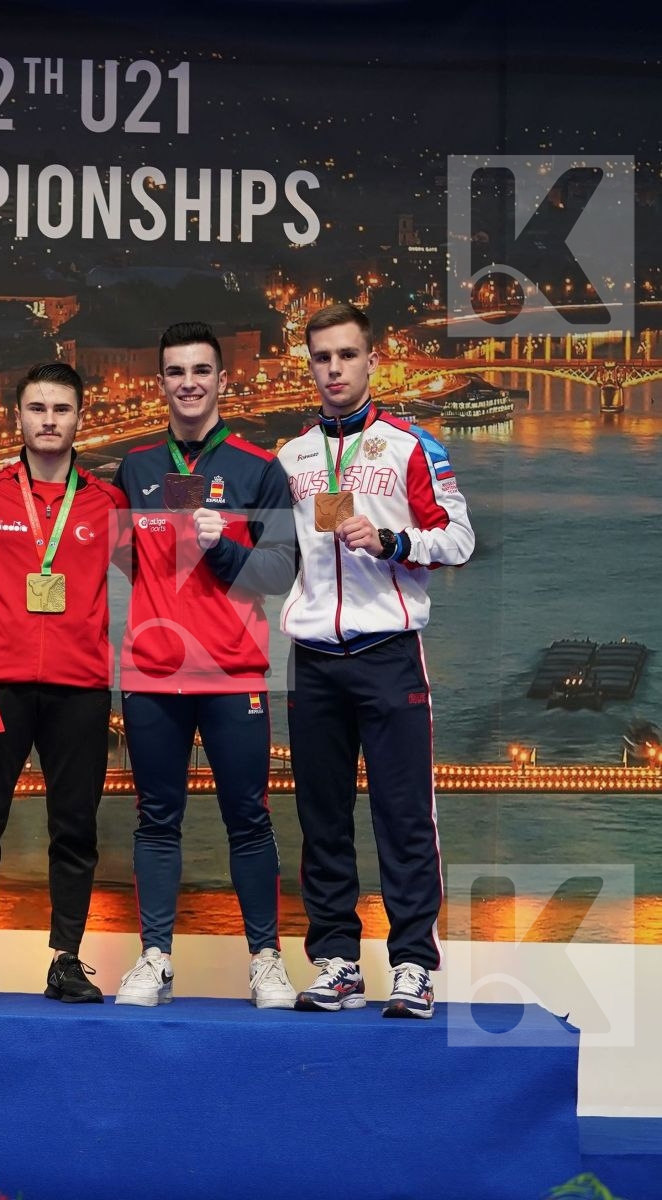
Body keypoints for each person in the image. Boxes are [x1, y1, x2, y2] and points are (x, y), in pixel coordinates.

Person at [277, 302, 475, 1018]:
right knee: (321, 815)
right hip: (314, 658)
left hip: (389, 652)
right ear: (312, 365)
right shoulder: (292, 457)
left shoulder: (412, 446)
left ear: (372, 360)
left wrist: (394, 540)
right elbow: (274, 557)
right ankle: (335, 960)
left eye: (346, 356)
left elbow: (458, 540)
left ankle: (414, 965)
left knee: (403, 814)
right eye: (322, 357)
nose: (334, 369)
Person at [111, 321, 299, 1009]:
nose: (188, 382)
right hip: (152, 674)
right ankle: (155, 958)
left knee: (247, 818)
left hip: (233, 673)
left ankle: (266, 961)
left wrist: (226, 552)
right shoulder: (134, 467)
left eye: (200, 370)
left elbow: (282, 568)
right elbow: (125, 554)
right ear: (159, 382)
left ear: (223, 380)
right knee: (156, 817)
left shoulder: (257, 467)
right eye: (175, 372)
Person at [0, 361, 129, 1003]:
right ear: (17, 417)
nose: (49, 421)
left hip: (80, 686)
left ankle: (66, 960)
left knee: (73, 827)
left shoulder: (107, 503)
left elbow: (168, 567)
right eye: (38, 409)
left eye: (61, 410)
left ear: (80, 418)